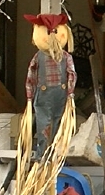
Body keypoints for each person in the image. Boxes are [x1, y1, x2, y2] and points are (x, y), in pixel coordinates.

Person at [24, 13, 76, 158]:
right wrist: (29, 96)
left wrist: (70, 93)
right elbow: (31, 77)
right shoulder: (38, 57)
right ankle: (43, 154)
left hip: (62, 95)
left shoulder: (66, 57)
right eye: (48, 32)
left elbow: (71, 74)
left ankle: (58, 154)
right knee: (43, 124)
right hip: (43, 95)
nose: (52, 35)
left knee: (60, 123)